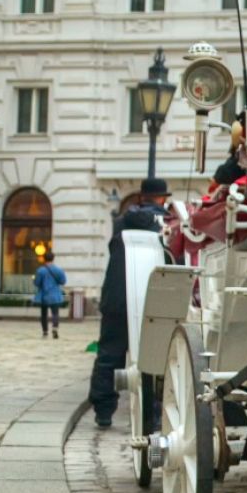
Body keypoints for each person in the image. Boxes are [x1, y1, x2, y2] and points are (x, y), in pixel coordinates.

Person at [88, 179, 171, 428]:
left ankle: (103, 411)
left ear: (141, 198)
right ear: (162, 198)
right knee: (152, 356)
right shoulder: (166, 223)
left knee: (108, 355)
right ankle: (152, 415)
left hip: (115, 297)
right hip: (149, 297)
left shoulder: (121, 221)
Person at [31, 251, 66, 339]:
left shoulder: (40, 271)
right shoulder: (58, 270)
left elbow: (37, 283)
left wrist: (34, 280)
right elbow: (63, 281)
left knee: (44, 314)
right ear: (53, 258)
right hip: (55, 295)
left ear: (44, 259)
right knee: (55, 313)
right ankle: (55, 328)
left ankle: (45, 332)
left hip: (44, 295)